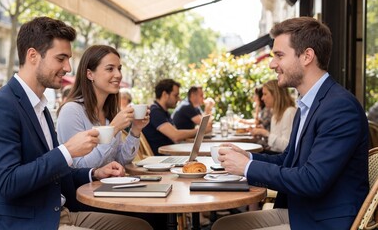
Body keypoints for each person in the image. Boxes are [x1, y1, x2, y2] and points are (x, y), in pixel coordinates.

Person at [0, 16, 152, 230]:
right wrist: (67, 151)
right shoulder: (0, 106)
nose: (68, 67)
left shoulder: (40, 107)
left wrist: (94, 173)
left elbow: (52, 172)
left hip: (60, 213)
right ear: (33, 56)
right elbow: (8, 183)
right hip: (31, 223)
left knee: (141, 226)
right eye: (61, 58)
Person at [212, 17, 369, 229]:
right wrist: (247, 157)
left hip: (322, 222)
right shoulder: (308, 104)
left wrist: (247, 167)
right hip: (302, 211)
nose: (271, 64)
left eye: (279, 55)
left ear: (307, 56)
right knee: (224, 225)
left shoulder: (340, 108)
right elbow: (289, 159)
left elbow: (312, 180)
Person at [57, 45, 149, 168]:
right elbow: (80, 167)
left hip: (108, 186)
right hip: (84, 187)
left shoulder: (109, 111)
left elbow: (121, 160)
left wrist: (136, 130)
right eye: (110, 69)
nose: (118, 75)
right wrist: (113, 129)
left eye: (119, 68)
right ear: (90, 74)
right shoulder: (71, 111)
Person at [143, 79, 209, 155]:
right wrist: (201, 130)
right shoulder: (154, 112)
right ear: (165, 94)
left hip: (171, 154)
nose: (178, 99)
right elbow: (176, 136)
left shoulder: (164, 112)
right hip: (161, 160)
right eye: (176, 95)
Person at [250, 79, 297, 153]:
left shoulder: (289, 112)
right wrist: (263, 132)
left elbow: (286, 146)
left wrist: (265, 133)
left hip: (280, 158)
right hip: (274, 153)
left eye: (265, 94)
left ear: (275, 95)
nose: (262, 98)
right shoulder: (276, 113)